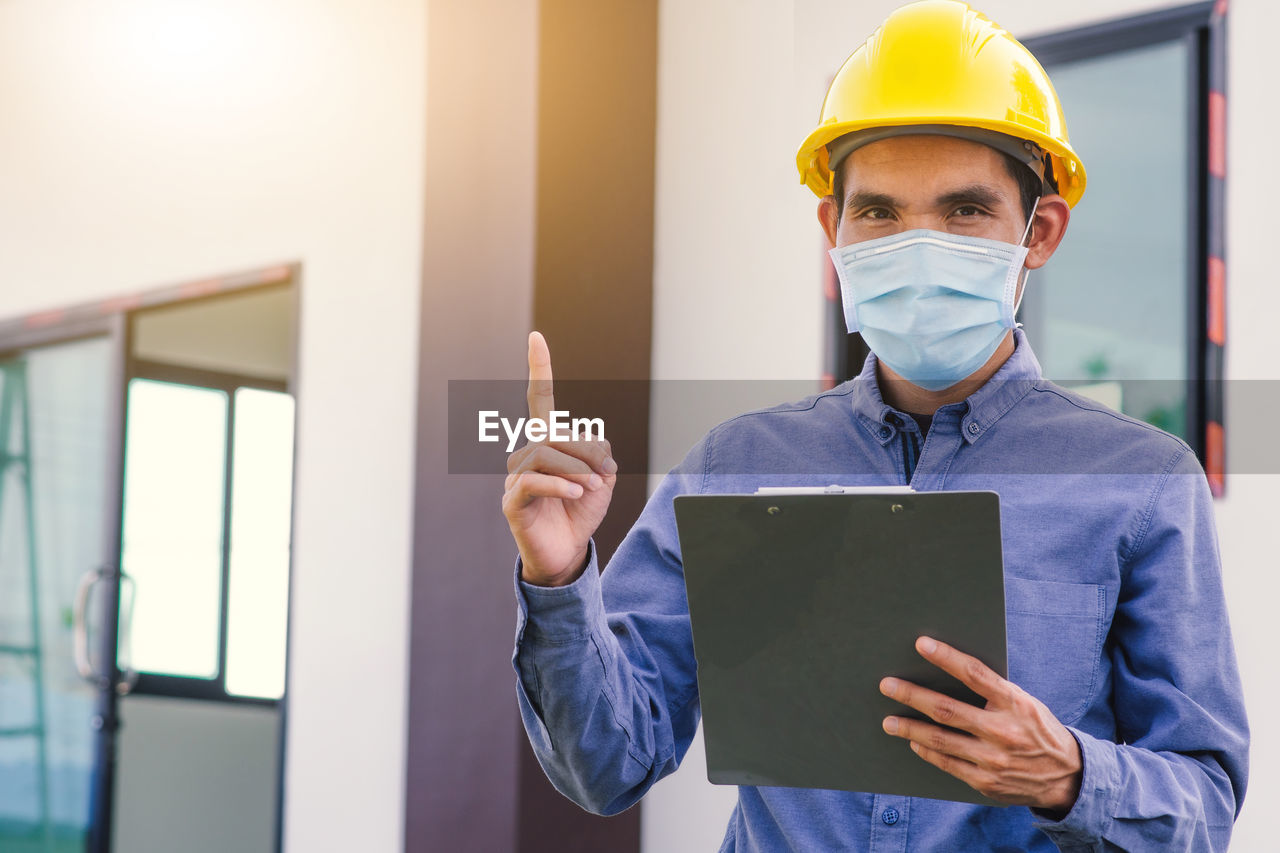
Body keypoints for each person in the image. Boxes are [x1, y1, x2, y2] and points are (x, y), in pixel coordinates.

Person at [501, 1, 1249, 849]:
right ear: (834, 227)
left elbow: (1203, 805)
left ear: (1037, 232)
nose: (917, 243)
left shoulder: (1142, 481)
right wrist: (559, 578)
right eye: (880, 212)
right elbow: (607, 765)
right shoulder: (737, 464)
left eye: (964, 211)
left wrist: (1069, 773)